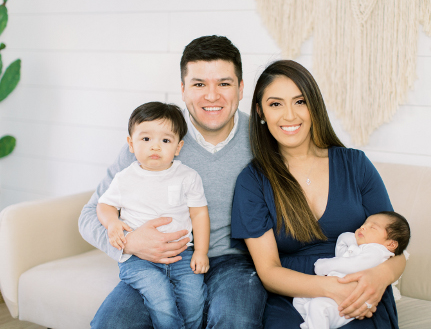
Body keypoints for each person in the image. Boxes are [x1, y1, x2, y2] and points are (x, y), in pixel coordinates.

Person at [78, 35, 268, 328]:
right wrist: (129, 243)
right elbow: (90, 215)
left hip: (235, 264)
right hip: (156, 261)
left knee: (235, 321)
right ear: (183, 89)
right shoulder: (152, 138)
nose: (212, 95)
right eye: (199, 84)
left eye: (224, 83)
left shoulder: (263, 139)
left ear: (241, 88)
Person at [231, 59, 407, 328]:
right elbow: (268, 271)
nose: (290, 115)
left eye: (300, 101)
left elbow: (394, 247)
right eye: (275, 104)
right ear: (260, 112)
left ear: (314, 106)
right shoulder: (252, 181)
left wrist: (379, 277)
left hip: (359, 292)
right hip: (291, 297)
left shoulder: (355, 165)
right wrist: (329, 288)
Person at [96, 102, 210, 329]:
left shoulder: (187, 176)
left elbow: (199, 215)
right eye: (146, 139)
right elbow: (104, 205)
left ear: (178, 147)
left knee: (194, 299)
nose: (155, 147)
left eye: (165, 140)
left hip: (182, 255)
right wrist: (112, 223)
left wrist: (201, 252)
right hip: (138, 260)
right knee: (161, 298)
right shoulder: (124, 178)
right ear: (131, 143)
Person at [293, 212, 411, 329]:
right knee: (300, 299)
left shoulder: (378, 252)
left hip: (349, 300)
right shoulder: (360, 248)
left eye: (373, 227)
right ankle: (311, 324)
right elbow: (341, 246)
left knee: (318, 307)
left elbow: (352, 265)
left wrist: (324, 265)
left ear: (391, 244)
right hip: (331, 291)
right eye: (364, 224)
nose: (363, 227)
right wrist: (355, 238)